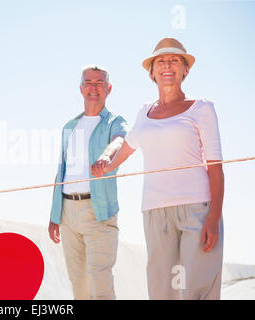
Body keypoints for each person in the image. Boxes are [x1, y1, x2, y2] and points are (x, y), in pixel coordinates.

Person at [91, 38, 224, 300]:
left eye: (175, 60)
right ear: (152, 72)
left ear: (185, 69)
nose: (167, 65)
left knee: (197, 287)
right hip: (154, 212)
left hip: (198, 209)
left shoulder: (202, 109)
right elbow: (124, 151)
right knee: (163, 290)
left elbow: (216, 167)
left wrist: (214, 217)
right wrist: (105, 164)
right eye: (161, 61)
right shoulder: (144, 113)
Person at [48, 65, 128, 300]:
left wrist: (106, 155)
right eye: (89, 83)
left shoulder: (115, 121)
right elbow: (61, 172)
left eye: (99, 82)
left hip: (98, 212)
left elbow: (120, 141)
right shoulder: (69, 127)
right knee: (79, 286)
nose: (94, 87)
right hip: (67, 214)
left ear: (109, 88)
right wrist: (54, 215)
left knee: (100, 283)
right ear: (81, 88)